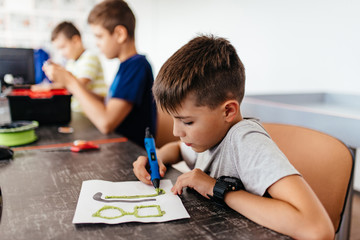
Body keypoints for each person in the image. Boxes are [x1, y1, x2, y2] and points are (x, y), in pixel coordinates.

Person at [133, 35, 334, 239]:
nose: (177, 131)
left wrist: (216, 188)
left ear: (228, 111)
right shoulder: (208, 138)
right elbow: (177, 148)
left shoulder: (245, 141)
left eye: (187, 122)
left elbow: (318, 229)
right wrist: (157, 157)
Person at [43, 0, 157, 147]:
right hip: (118, 147)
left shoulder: (137, 66)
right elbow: (108, 104)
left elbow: (106, 123)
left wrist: (70, 82)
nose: (96, 43)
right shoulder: (125, 66)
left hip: (132, 154)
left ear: (119, 34)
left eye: (99, 36)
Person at [49, 21, 107, 112]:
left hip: (91, 114)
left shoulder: (90, 56)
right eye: (58, 49)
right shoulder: (71, 62)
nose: (61, 53)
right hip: (77, 112)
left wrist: (50, 86)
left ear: (76, 41)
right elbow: (66, 84)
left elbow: (78, 84)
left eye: (63, 47)